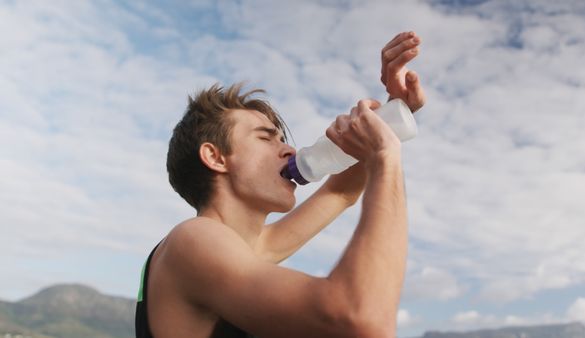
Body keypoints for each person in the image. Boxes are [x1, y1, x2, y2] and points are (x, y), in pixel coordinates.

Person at [136, 31, 426, 338]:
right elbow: (359, 317)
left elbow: (340, 192)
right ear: (215, 157)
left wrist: (396, 113)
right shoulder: (193, 239)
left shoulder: (243, 250)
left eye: (283, 139)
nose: (289, 150)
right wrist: (384, 155)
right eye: (265, 138)